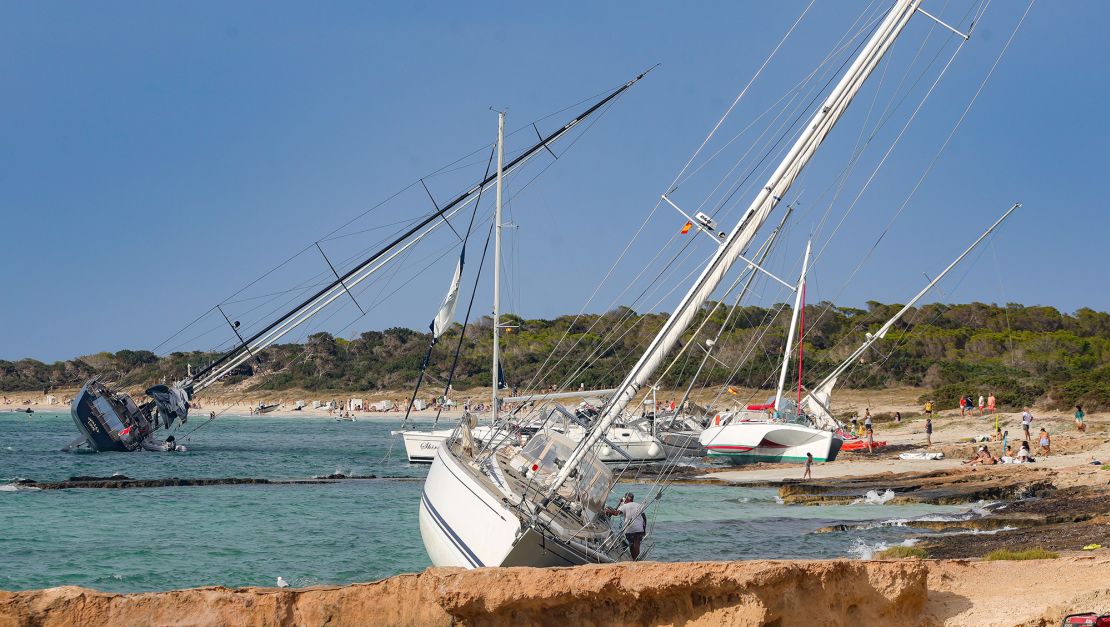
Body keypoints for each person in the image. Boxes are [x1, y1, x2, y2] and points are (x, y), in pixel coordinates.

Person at [605, 492, 646, 560]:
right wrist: (644, 528)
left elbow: (616, 513)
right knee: (637, 544)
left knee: (631, 545)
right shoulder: (639, 505)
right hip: (639, 528)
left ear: (626, 499)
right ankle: (636, 560)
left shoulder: (625, 506)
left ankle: (634, 559)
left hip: (630, 528)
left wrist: (608, 510)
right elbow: (644, 517)